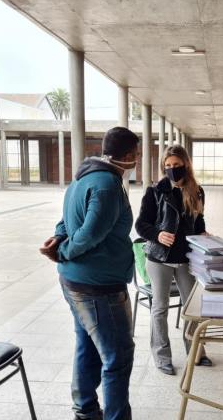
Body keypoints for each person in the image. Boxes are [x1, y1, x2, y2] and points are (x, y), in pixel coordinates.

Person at [39, 127, 139, 420]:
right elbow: (89, 234)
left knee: (87, 344)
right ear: (131, 155)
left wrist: (58, 238)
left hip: (77, 282)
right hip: (99, 288)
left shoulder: (83, 177)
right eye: (137, 155)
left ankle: (84, 409)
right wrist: (63, 250)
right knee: (118, 357)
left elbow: (65, 220)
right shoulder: (107, 185)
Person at [134, 145, 212, 375]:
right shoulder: (155, 191)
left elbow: (198, 224)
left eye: (176, 166)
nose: (172, 170)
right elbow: (140, 225)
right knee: (160, 307)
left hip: (186, 258)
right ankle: (162, 356)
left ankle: (196, 352)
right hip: (159, 259)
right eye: (167, 166)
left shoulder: (197, 191)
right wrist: (157, 234)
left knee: (192, 307)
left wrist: (204, 235)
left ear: (186, 165)